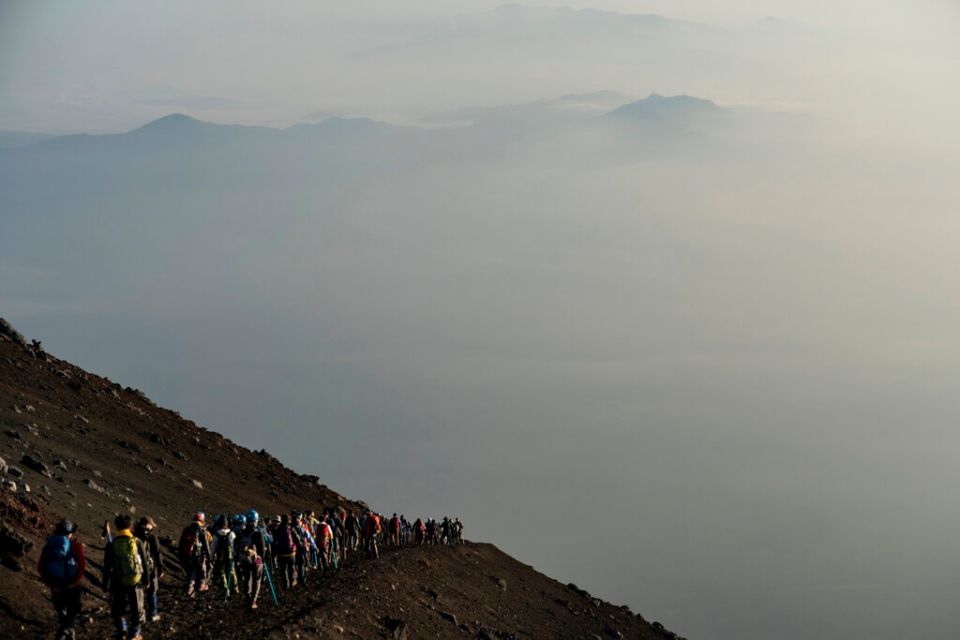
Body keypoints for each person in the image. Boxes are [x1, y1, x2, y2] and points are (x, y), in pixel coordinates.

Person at [103, 514, 150, 640]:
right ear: (130, 526)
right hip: (136, 581)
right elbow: (144, 562)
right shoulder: (137, 541)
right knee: (137, 609)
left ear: (117, 526)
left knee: (117, 608)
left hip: (118, 581)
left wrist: (104, 584)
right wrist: (147, 580)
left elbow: (107, 566)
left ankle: (122, 628)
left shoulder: (112, 545)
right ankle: (135, 633)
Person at [38, 519, 86, 640]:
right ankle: (66, 629)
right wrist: (75, 582)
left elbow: (40, 566)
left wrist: (50, 583)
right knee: (74, 606)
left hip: (55, 582)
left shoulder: (48, 545)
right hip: (71, 583)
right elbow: (82, 566)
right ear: (69, 533)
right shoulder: (75, 546)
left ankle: (66, 628)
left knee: (60, 607)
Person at [133, 517, 163, 622]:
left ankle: (140, 614)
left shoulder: (134, 534)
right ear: (147, 524)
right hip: (150, 568)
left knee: (139, 592)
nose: (152, 527)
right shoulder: (151, 536)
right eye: (151, 525)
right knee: (152, 592)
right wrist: (160, 568)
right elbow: (157, 553)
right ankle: (152, 613)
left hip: (137, 568)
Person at [234, 515, 266, 610]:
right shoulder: (257, 533)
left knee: (247, 578)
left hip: (244, 559)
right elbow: (262, 550)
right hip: (256, 560)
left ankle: (247, 597)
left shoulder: (240, 533)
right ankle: (253, 601)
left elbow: (236, 546)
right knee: (257, 580)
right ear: (255, 521)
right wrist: (263, 559)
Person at [178, 512, 212, 596]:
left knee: (191, 572)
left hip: (187, 556)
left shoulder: (187, 530)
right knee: (201, 572)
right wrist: (210, 558)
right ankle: (201, 586)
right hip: (199, 557)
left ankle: (189, 588)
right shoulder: (202, 531)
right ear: (202, 521)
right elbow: (206, 546)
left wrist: (181, 556)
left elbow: (181, 544)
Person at [209, 515, 237, 598]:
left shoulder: (216, 535)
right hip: (230, 556)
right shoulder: (232, 534)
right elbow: (234, 545)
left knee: (222, 573)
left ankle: (226, 589)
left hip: (220, 557)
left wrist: (211, 558)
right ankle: (235, 587)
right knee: (231, 571)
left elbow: (213, 548)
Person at [272, 514, 299, 589]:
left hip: (281, 553)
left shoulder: (277, 529)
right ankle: (293, 581)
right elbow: (297, 539)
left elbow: (274, 540)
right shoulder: (290, 529)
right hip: (291, 552)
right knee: (292, 567)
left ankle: (285, 584)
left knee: (283, 569)